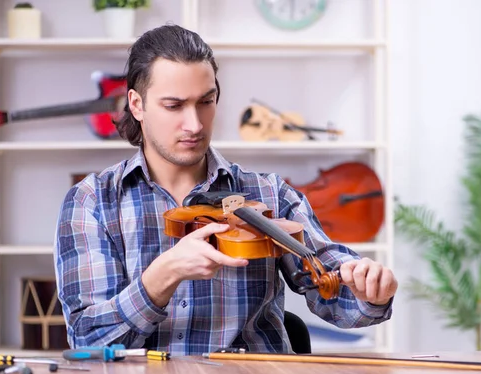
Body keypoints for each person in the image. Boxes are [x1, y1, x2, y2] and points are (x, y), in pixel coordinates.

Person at [53, 23, 398, 355]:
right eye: (174, 106)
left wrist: (370, 290)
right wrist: (161, 277)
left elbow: (335, 292)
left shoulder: (269, 194)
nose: (195, 124)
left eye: (206, 101)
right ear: (137, 104)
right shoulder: (93, 202)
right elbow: (89, 341)